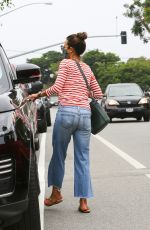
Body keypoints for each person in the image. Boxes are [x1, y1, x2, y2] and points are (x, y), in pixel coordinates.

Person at [27, 32, 103, 213]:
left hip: (67, 113)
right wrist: (83, 95)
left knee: (59, 155)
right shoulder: (87, 68)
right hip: (85, 115)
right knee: (83, 159)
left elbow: (57, 88)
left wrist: (37, 94)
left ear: (70, 49)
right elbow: (98, 94)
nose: (63, 47)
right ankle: (84, 202)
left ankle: (56, 194)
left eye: (64, 45)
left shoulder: (65, 63)